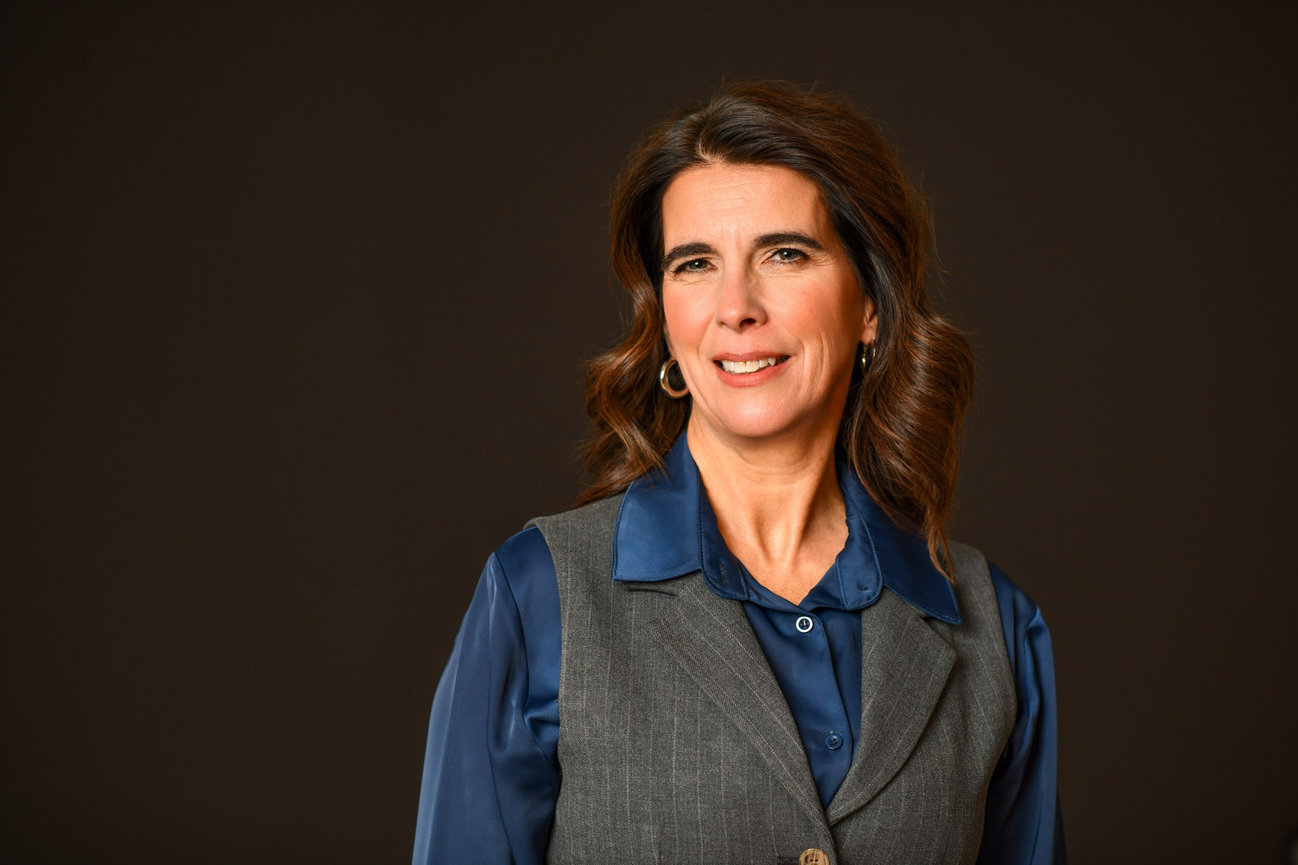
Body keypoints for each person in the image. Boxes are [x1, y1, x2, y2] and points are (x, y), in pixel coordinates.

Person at [413, 80, 1065, 864]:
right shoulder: (537, 597)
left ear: (871, 306)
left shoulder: (997, 625)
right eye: (694, 264)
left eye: (784, 254)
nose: (735, 306)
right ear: (663, 317)